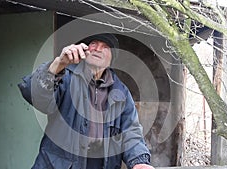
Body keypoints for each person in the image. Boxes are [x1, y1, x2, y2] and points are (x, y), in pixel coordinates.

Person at [18, 33, 155, 169]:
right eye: (93, 44)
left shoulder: (121, 92)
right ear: (84, 51)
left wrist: (139, 161)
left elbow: (130, 131)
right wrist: (58, 63)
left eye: (105, 47)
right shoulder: (65, 77)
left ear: (111, 60)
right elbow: (35, 96)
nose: (98, 48)